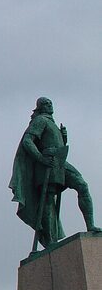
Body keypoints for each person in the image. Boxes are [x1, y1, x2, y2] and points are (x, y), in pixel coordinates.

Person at [10, 97, 99, 249]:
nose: (50, 105)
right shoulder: (40, 121)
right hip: (47, 163)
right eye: (46, 103)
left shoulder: (52, 123)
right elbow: (27, 141)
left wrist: (63, 138)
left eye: (50, 102)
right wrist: (41, 158)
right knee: (48, 200)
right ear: (40, 107)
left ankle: (91, 226)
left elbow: (53, 143)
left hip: (59, 161)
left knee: (82, 185)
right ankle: (51, 241)